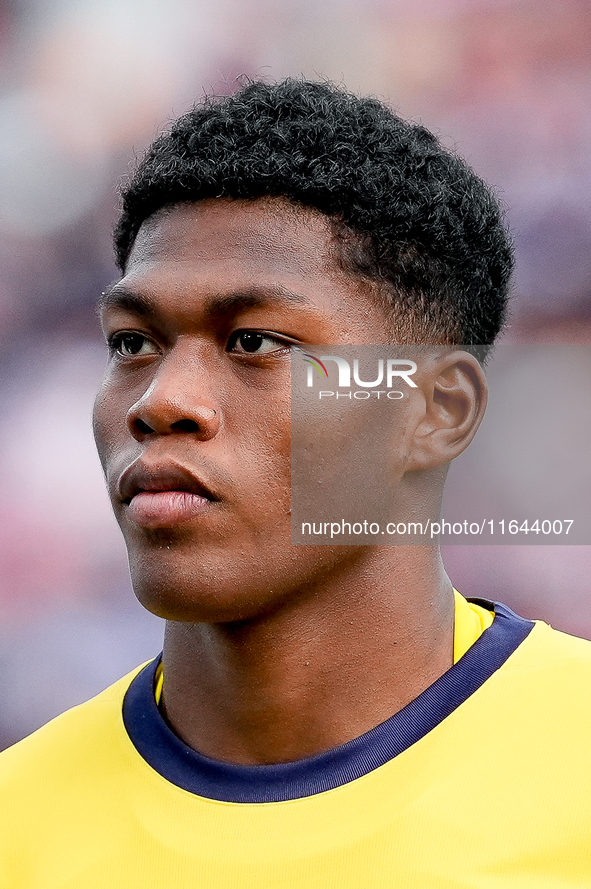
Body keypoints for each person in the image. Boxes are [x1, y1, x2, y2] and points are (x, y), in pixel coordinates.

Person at [1, 78, 590, 887]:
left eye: (252, 340)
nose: (159, 399)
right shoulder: (17, 822)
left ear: (437, 410)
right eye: (132, 342)